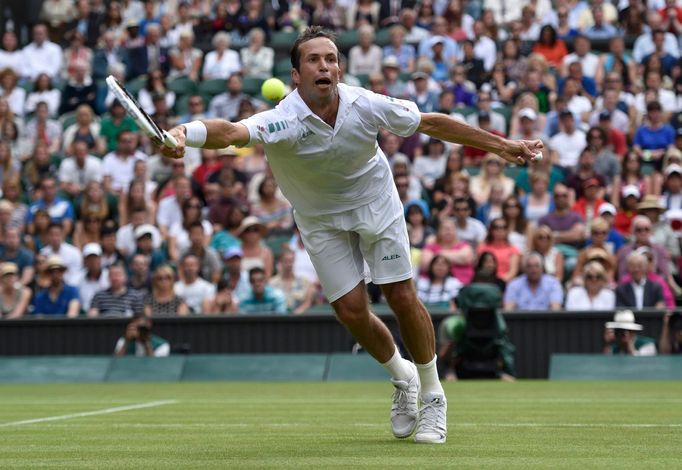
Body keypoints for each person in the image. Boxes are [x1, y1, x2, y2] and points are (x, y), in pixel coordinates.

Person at [161, 26, 543, 444]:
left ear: (339, 67)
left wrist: (501, 145)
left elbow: (431, 123)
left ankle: (434, 394)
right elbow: (232, 134)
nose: (325, 65)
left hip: (375, 203)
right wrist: (186, 133)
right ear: (295, 75)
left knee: (400, 295)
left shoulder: (366, 103)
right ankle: (404, 379)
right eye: (313, 60)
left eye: (331, 58)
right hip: (319, 218)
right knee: (351, 312)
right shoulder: (281, 118)